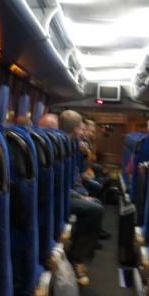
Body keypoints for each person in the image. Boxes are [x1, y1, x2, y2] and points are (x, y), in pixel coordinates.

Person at [59, 109, 106, 286]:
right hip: (57, 197)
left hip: (67, 192)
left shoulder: (72, 145)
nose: (83, 132)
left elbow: (75, 174)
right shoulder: (58, 147)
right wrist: (79, 195)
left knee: (95, 202)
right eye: (81, 128)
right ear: (76, 128)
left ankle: (84, 249)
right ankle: (76, 258)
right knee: (94, 209)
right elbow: (60, 185)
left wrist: (85, 155)